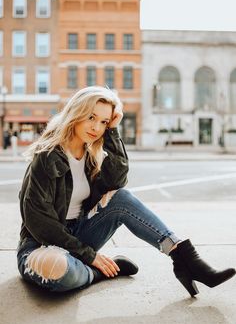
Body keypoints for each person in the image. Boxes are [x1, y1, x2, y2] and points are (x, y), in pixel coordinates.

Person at [17, 86, 235, 296]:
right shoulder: (47, 157)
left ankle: (184, 258)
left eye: (103, 122)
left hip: (80, 235)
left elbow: (117, 182)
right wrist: (90, 257)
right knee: (61, 271)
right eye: (91, 117)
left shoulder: (90, 157)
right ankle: (96, 272)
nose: (96, 127)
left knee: (122, 198)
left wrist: (113, 132)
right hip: (41, 244)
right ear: (76, 114)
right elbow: (39, 223)